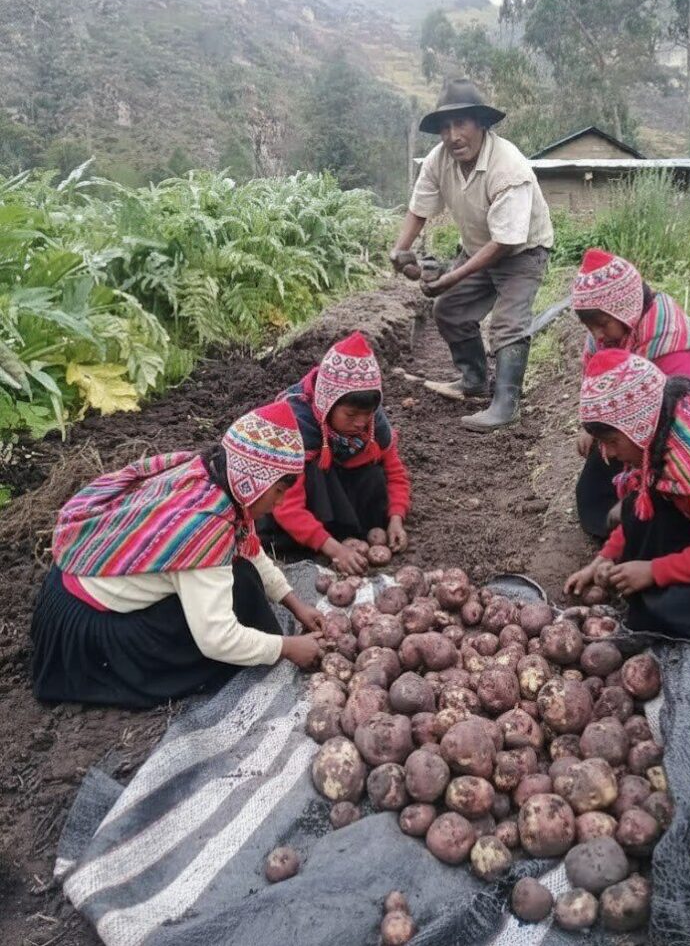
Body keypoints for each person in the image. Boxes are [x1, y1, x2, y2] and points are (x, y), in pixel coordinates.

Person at [31, 403, 324, 708]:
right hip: (89, 635)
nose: (279, 503)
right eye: (278, 491)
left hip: (68, 592)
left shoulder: (214, 475)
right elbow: (218, 639)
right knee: (240, 599)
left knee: (243, 578)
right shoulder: (204, 528)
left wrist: (294, 602)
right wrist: (286, 648)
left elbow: (250, 546)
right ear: (255, 479)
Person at [565, 349, 690, 656]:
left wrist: (654, 570)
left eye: (612, 441)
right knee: (639, 507)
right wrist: (603, 558)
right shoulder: (662, 432)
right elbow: (642, 503)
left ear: (637, 424)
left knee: (671, 614)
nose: (608, 453)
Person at [389, 77, 553, 432]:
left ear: (481, 124)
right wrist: (400, 249)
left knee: (507, 324)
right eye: (445, 128)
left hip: (522, 252)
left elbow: (507, 242)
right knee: (449, 309)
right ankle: (474, 380)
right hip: (479, 247)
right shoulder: (438, 159)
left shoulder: (509, 168)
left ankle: (506, 405)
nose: (453, 136)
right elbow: (420, 208)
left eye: (461, 123)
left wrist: (449, 277)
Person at [572, 247, 690, 538]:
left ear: (625, 306)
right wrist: (594, 428)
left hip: (678, 420)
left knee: (665, 501)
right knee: (594, 493)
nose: (597, 335)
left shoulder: (672, 342)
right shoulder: (610, 332)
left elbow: (671, 423)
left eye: (602, 324)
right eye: (590, 326)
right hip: (635, 418)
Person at [264, 332, 410, 576]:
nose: (361, 424)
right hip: (306, 508)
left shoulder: (377, 427)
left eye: (368, 414)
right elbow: (285, 506)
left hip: (343, 502)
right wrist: (333, 549)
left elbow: (396, 475)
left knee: (375, 473)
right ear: (327, 404)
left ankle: (348, 533)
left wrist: (396, 518)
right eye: (351, 415)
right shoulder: (296, 426)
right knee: (313, 473)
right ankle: (324, 538)